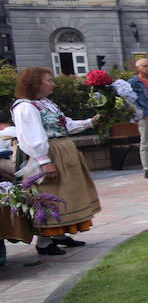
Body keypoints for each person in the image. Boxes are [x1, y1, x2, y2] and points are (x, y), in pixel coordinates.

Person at [9, 67, 102, 256]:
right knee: (49, 194)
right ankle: (44, 242)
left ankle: (60, 235)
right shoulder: (25, 106)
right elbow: (30, 136)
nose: (53, 83)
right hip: (48, 153)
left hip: (63, 151)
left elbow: (64, 124)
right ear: (36, 83)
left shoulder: (46, 103)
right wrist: (44, 161)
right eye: (48, 80)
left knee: (66, 193)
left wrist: (91, 122)